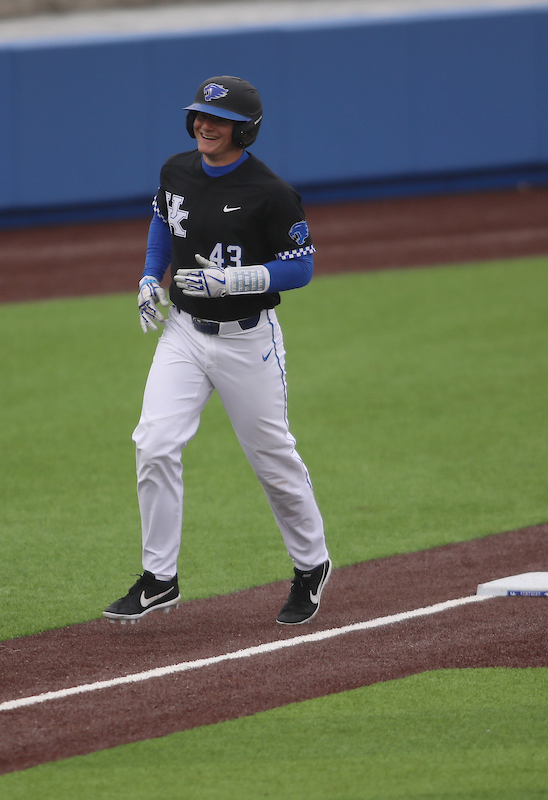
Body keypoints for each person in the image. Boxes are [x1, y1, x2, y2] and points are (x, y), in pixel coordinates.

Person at [103, 75, 331, 626]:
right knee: (154, 442)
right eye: (201, 115)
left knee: (272, 459)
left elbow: (301, 266)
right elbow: (165, 220)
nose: (205, 124)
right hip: (183, 332)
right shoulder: (176, 171)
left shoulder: (271, 192)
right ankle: (159, 578)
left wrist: (235, 282)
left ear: (244, 129)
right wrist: (148, 277)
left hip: (248, 340)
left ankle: (311, 565)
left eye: (219, 118)